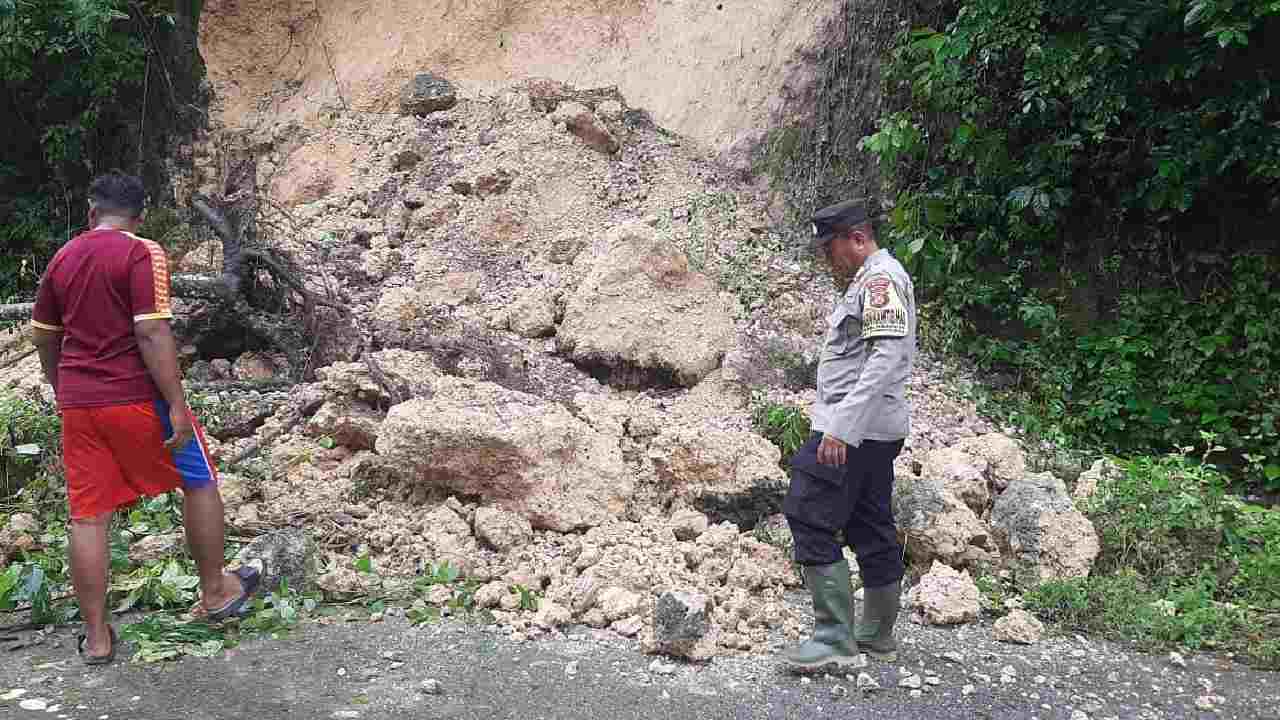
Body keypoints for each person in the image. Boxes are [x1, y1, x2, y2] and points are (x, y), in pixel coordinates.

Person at [30, 172, 259, 665]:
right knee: (199, 481)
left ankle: (96, 639)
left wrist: (60, 387)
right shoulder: (141, 252)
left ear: (92, 214)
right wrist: (177, 403)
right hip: (135, 398)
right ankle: (216, 592)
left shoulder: (63, 257)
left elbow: (44, 336)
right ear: (137, 218)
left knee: (88, 514)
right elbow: (152, 332)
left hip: (79, 404)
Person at [781, 199, 916, 671]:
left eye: (830, 248)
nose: (826, 259)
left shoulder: (880, 280)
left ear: (857, 239)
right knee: (868, 523)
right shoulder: (872, 279)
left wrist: (841, 425)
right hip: (873, 430)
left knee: (807, 509)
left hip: (854, 430)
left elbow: (887, 359)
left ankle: (835, 639)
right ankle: (876, 637)